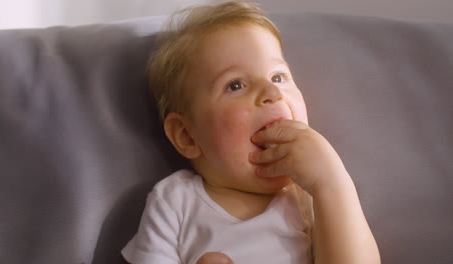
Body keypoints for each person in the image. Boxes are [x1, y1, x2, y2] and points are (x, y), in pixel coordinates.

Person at [122, 1, 380, 264]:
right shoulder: (174, 202)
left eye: (278, 77)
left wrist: (332, 182)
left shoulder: (310, 195)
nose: (272, 93)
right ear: (187, 135)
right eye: (235, 85)